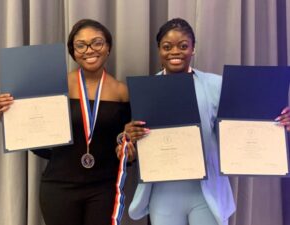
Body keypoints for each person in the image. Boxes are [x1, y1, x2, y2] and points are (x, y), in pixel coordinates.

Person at [117, 18, 290, 225]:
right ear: (159, 50)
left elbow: (244, 121)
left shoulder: (215, 85)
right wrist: (126, 136)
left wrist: (278, 119)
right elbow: (131, 135)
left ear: (193, 49)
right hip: (163, 193)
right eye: (167, 46)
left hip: (206, 193)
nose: (175, 52)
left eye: (183, 46)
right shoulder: (145, 91)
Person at [0, 19, 135, 225]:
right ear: (72, 51)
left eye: (97, 42)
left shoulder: (123, 92)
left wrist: (127, 152)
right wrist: (9, 119)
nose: (89, 50)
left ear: (108, 47)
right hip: (59, 186)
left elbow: (126, 142)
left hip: (104, 188)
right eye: (80, 45)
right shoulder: (56, 87)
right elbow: (38, 143)